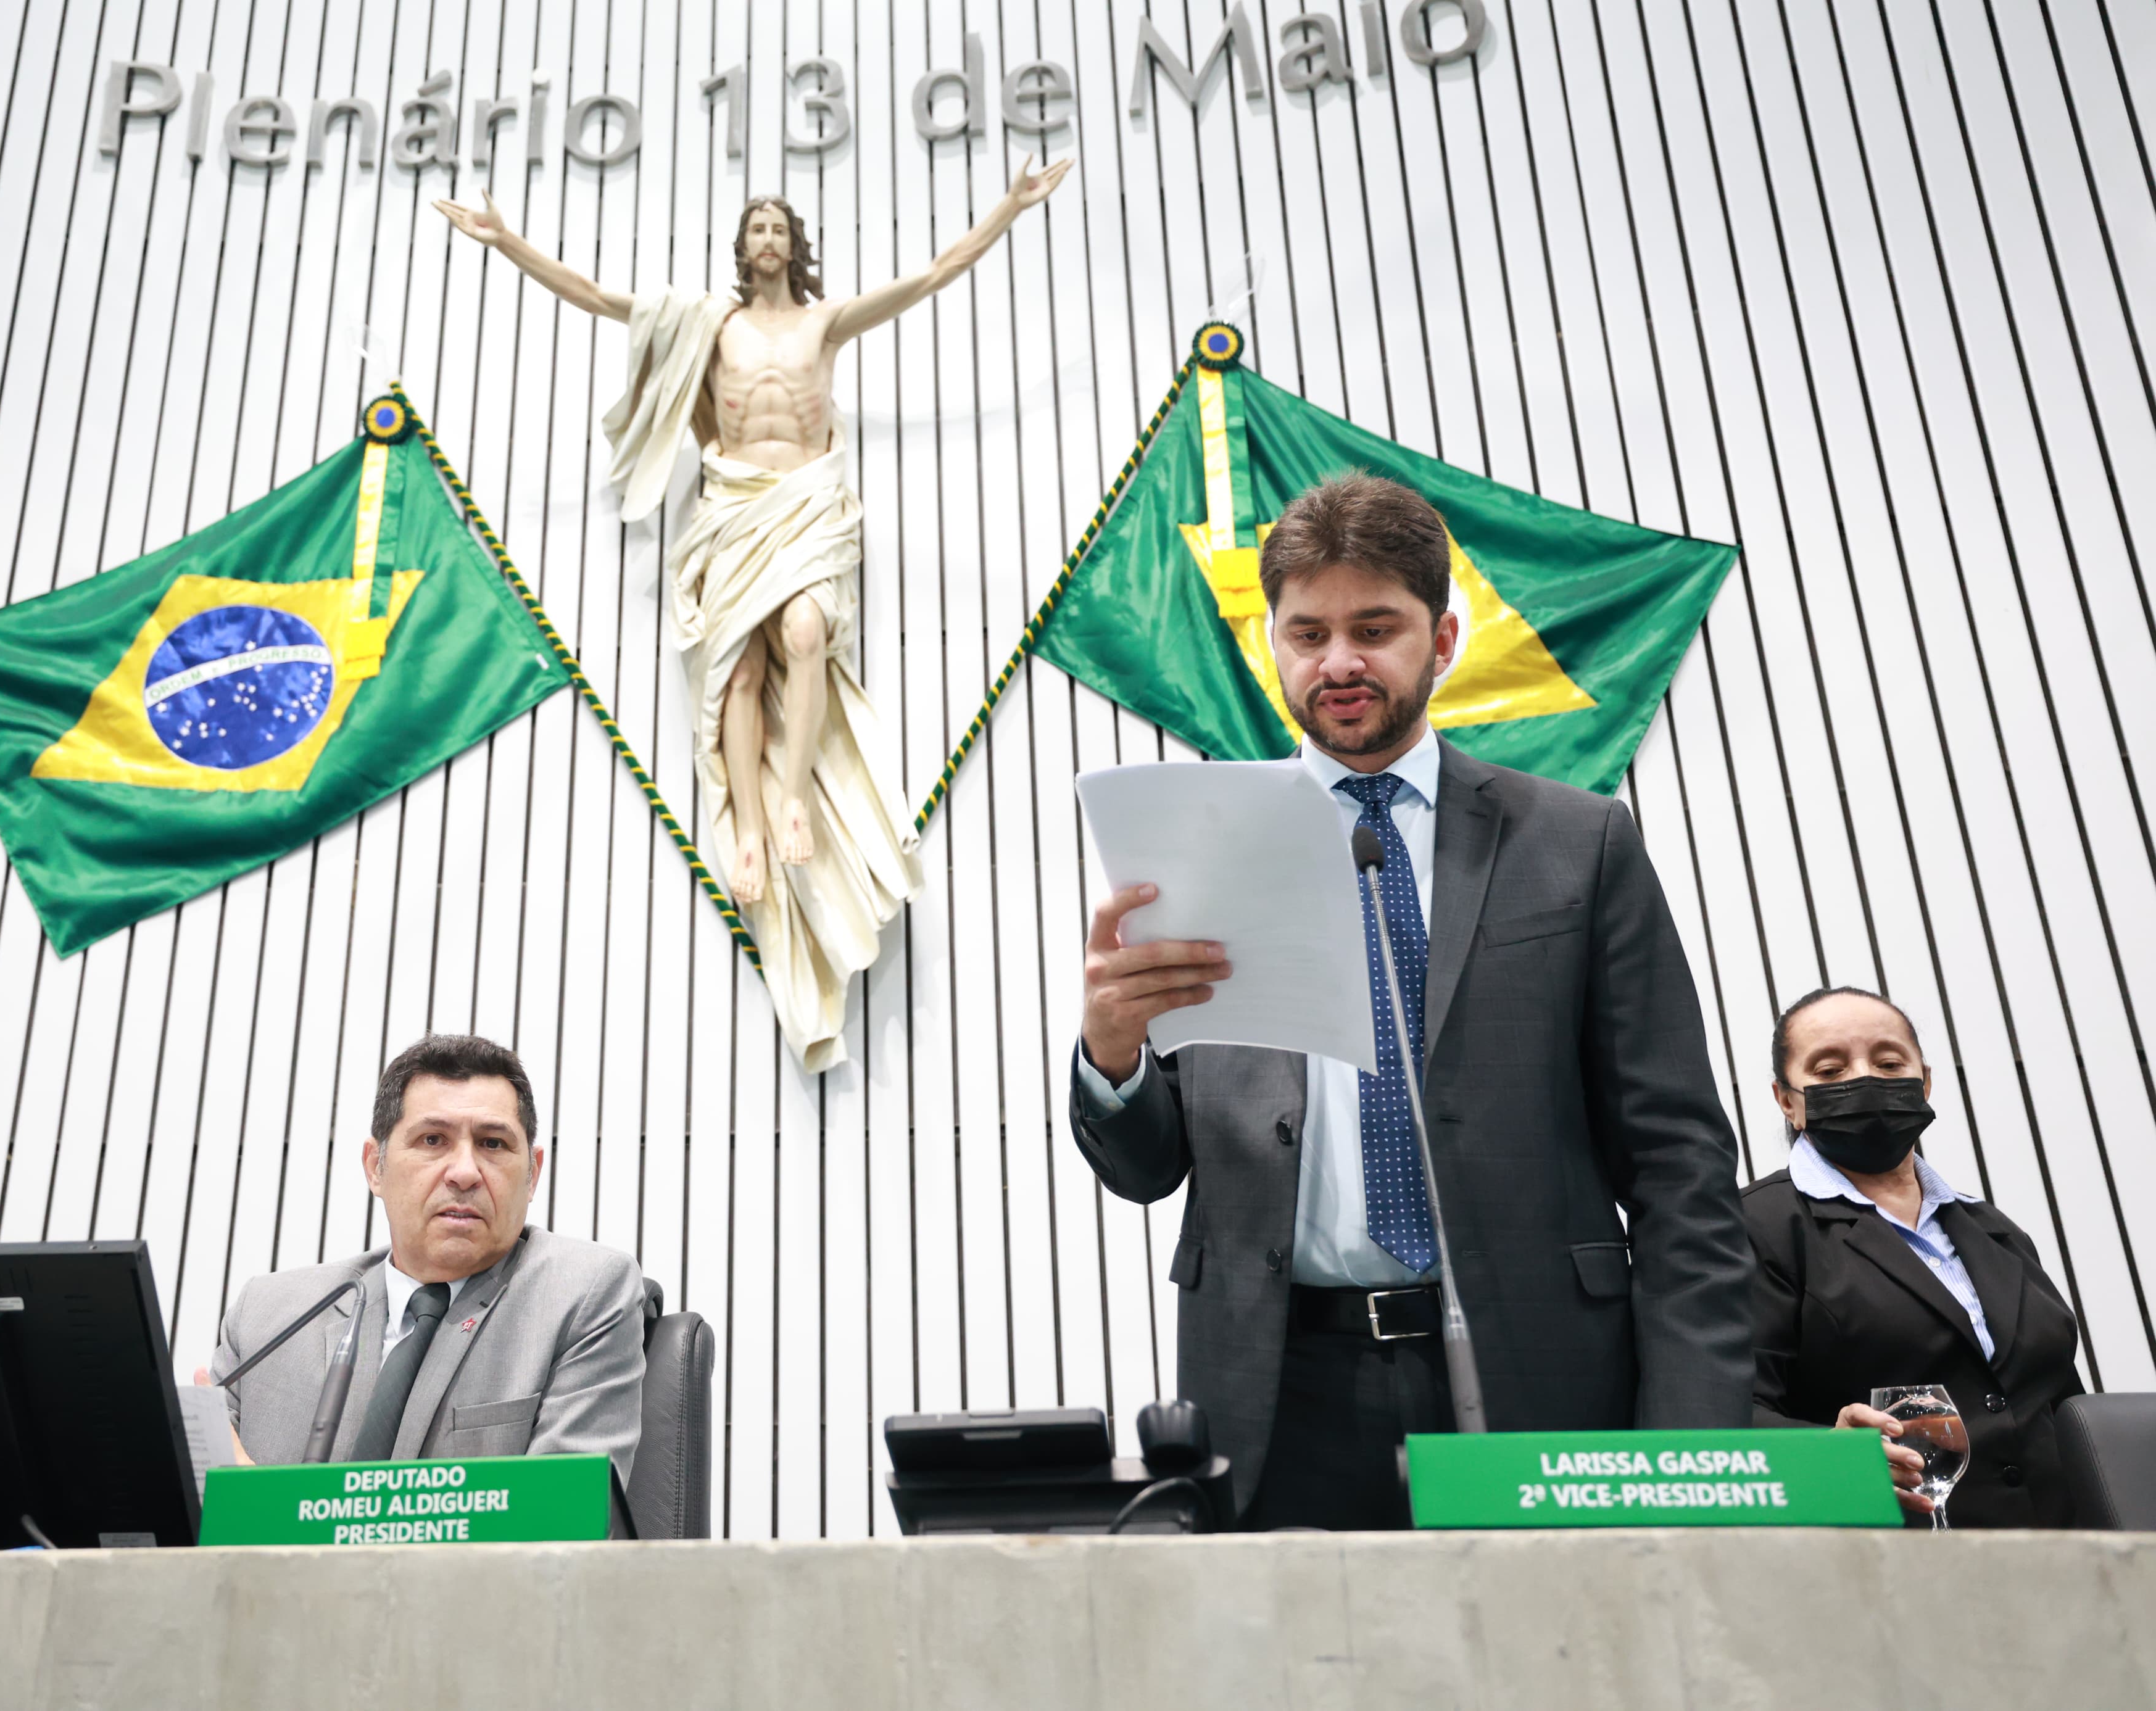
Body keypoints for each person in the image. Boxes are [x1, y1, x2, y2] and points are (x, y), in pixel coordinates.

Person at [1069, 471, 1752, 1530]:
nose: (1338, 661)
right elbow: (1148, 1168)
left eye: (1374, 627)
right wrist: (1113, 1062)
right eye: (1307, 633)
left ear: (1441, 641)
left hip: (1535, 1372)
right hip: (1276, 1388)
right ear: (1276, 648)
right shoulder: (1199, 848)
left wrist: (1699, 1439)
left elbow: (1680, 1165)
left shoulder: (1577, 843)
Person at [431, 164, 1070, 1072]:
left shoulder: (824, 321)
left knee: (807, 635)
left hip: (810, 499)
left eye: (779, 226)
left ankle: (797, 793)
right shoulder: (711, 324)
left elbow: (932, 275)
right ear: (742, 249)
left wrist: (1007, 205)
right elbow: (597, 296)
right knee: (734, 669)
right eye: (754, 227)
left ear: (795, 246)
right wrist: (508, 241)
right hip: (733, 502)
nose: (766, 237)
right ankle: (748, 826)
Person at [202, 1034, 645, 1475]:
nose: (465, 1172)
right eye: (433, 1139)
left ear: (532, 1174)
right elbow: (183, 1522)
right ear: (376, 1166)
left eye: (493, 1143)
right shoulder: (266, 1316)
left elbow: (561, 1519)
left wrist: (261, 1515)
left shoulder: (585, 1293)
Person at [1744, 987, 2084, 1527]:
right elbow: (1729, 1412)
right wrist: (1830, 1455)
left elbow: (2063, 1403)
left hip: (2071, 1555)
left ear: (1923, 1082)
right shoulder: (1755, 1227)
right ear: (1788, 1100)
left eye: (1888, 1062)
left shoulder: (1995, 1231)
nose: (1866, 1078)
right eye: (1830, 1070)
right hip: (1888, 1567)